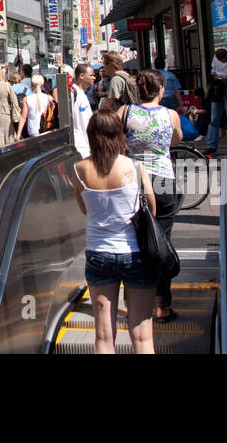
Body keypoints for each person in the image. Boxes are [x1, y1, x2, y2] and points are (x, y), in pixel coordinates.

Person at [72, 109, 158, 354]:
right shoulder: (135, 167)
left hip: (99, 252)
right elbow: (151, 209)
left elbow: (85, 209)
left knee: (103, 334)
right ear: (119, 133)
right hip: (135, 252)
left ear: (92, 136)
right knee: (142, 335)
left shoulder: (79, 170)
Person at [116, 69, 182, 323]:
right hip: (164, 180)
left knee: (132, 241)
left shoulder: (125, 112)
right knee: (161, 243)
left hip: (132, 179)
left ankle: (131, 302)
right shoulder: (170, 115)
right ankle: (163, 306)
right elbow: (176, 140)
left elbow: (118, 141)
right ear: (161, 90)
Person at [205, 48, 227, 154]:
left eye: (223, 60)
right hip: (218, 90)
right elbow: (213, 71)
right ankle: (211, 145)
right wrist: (217, 76)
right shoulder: (215, 60)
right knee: (215, 118)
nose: (222, 62)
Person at [68, 63, 96, 158]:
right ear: (82, 76)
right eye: (91, 75)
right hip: (80, 147)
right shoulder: (73, 94)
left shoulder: (82, 94)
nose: (94, 78)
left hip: (87, 145)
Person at [16, 74, 53, 140]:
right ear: (43, 85)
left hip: (32, 131)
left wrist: (18, 134)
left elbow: (23, 117)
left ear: (31, 85)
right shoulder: (48, 98)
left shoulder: (27, 99)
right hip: (46, 129)